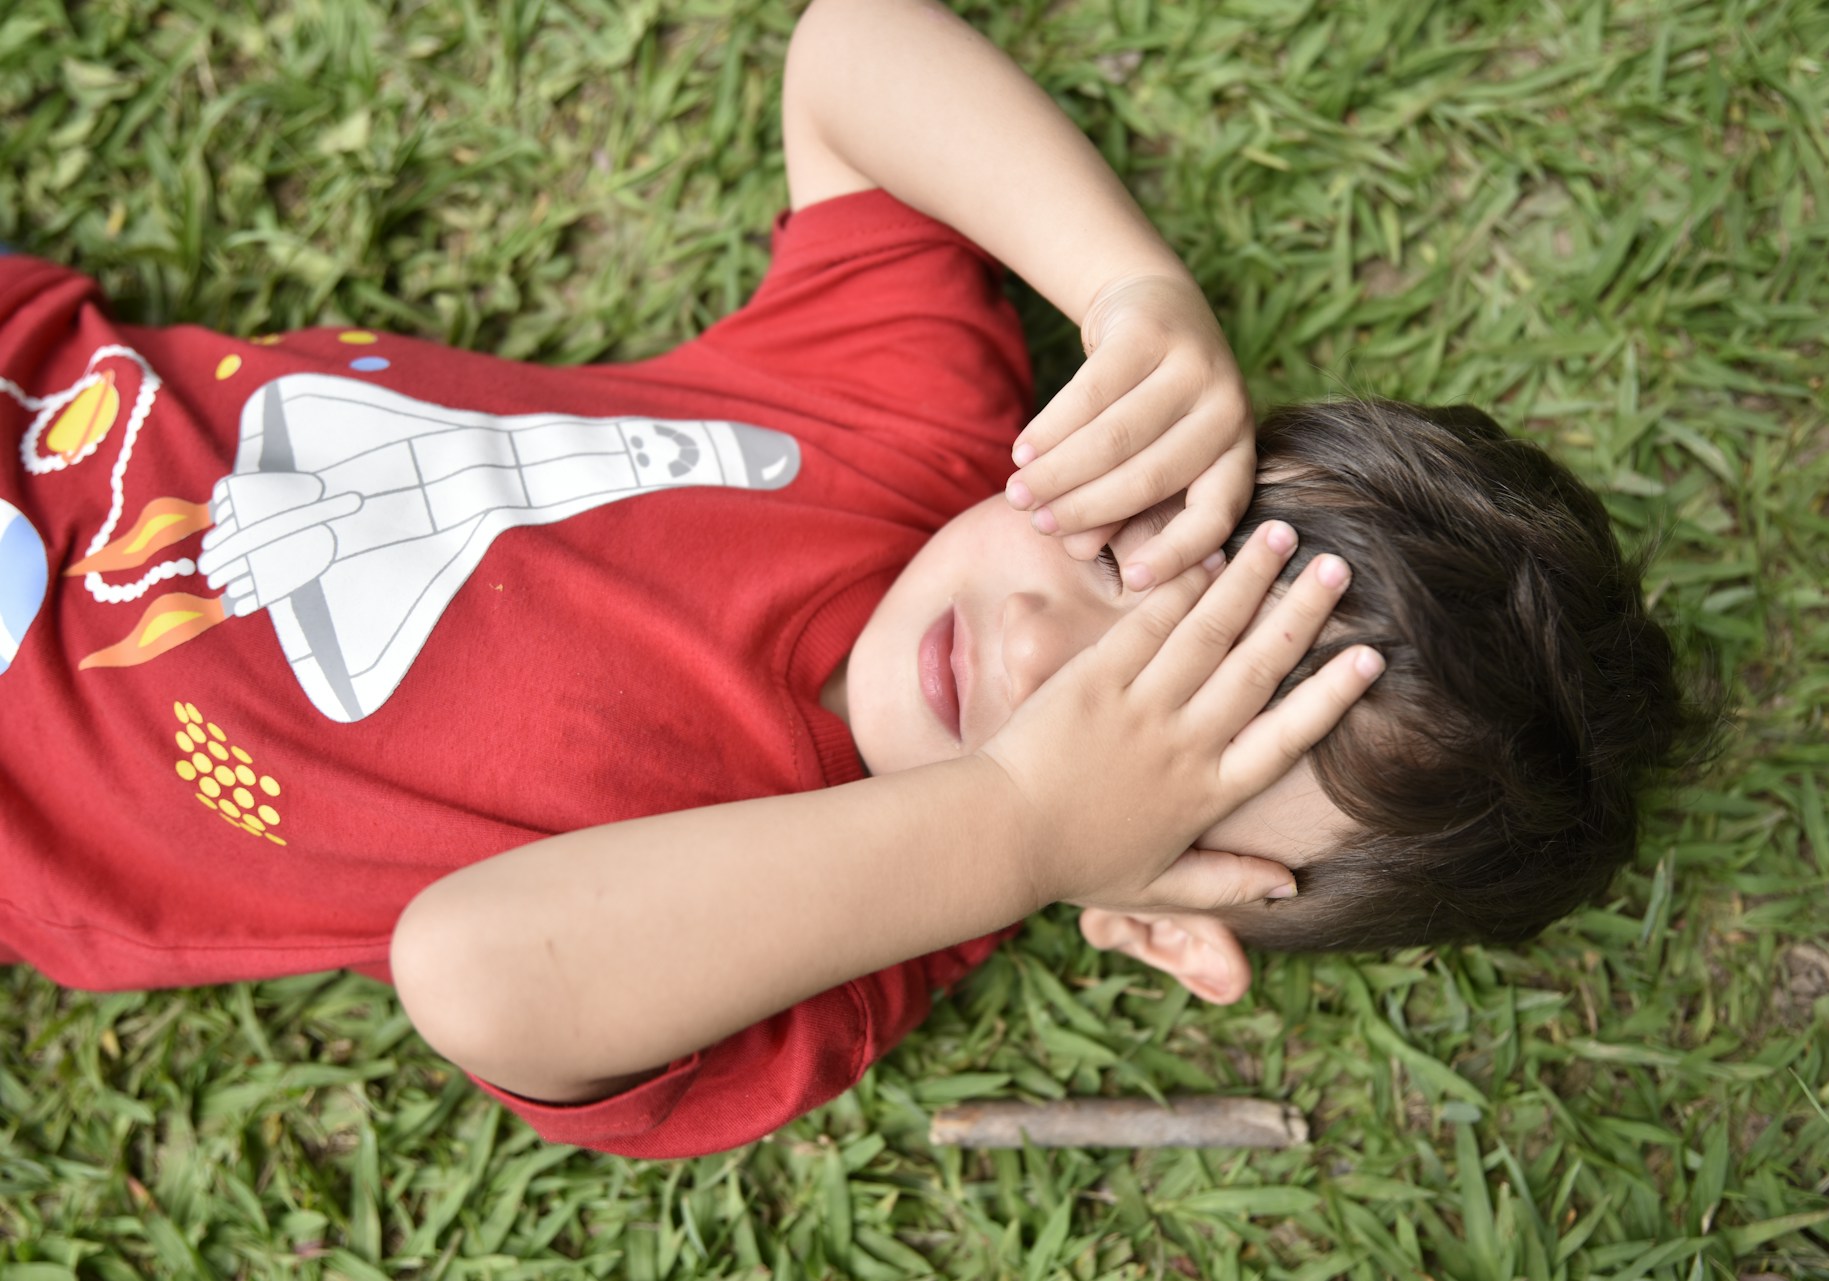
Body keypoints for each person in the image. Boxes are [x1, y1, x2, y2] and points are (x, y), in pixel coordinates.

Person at [0, 0, 1695, 1160]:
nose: (1038, 639)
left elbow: (475, 968)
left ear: (1164, 922)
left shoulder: (835, 943)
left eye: (1160, 735)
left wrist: (1019, 826)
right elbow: (850, 48)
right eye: (1124, 550)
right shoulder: (911, 435)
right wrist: (1132, 295)